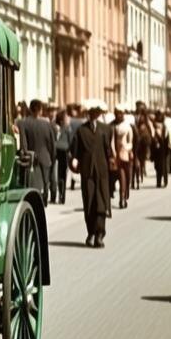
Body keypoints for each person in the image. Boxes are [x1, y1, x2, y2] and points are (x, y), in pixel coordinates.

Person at [70, 99, 113, 248]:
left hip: (102, 172)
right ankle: (91, 233)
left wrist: (112, 161)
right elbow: (74, 150)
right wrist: (74, 160)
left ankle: (100, 235)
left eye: (97, 112)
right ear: (89, 113)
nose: (94, 115)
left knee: (101, 203)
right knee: (89, 203)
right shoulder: (81, 130)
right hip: (87, 172)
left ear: (100, 113)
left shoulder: (106, 129)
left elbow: (109, 150)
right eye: (92, 112)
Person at [18, 100, 56, 206]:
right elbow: (52, 144)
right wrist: (52, 157)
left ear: (30, 109)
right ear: (40, 110)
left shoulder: (23, 123)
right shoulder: (47, 124)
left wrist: (25, 154)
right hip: (46, 157)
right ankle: (45, 198)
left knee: (32, 182)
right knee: (45, 180)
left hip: (31, 157)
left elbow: (23, 144)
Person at [113, 104, 133, 209]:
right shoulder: (112, 125)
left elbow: (131, 141)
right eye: (116, 113)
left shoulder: (128, 126)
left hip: (126, 154)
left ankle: (125, 194)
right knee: (122, 177)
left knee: (127, 177)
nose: (118, 115)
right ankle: (122, 198)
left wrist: (128, 149)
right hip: (116, 155)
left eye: (120, 113)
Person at [54, 109, 72, 204]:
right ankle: (62, 196)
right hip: (64, 152)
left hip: (56, 152)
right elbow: (70, 141)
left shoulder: (55, 127)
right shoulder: (67, 128)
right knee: (63, 175)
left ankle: (59, 194)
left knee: (58, 174)